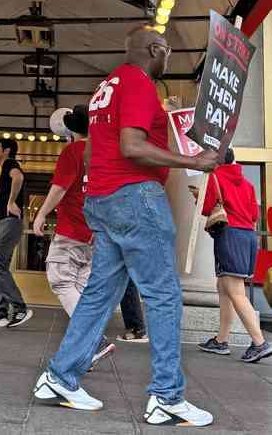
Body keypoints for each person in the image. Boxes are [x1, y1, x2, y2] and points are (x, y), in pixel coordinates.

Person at [33, 25, 218, 427]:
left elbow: (113, 145)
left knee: (100, 293)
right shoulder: (137, 83)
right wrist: (193, 162)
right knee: (163, 294)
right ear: (155, 49)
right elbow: (132, 146)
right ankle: (167, 396)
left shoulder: (108, 86)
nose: (168, 58)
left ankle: (60, 377)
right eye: (166, 51)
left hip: (104, 200)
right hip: (135, 199)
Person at [34, 105, 115, 364]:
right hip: (96, 232)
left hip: (71, 230)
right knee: (80, 288)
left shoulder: (73, 151)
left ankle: (94, 341)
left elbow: (60, 188)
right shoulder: (105, 153)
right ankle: (81, 351)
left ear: (72, 129)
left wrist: (41, 213)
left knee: (60, 280)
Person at [197, 148, 272, 362]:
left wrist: (198, 197)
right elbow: (253, 215)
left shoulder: (215, 177)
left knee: (234, 290)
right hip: (247, 236)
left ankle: (259, 343)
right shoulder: (247, 183)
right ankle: (221, 340)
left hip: (230, 235)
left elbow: (207, 207)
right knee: (224, 288)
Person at [0, 138, 33, 328]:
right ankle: (0, 313)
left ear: (7, 151)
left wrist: (11, 202)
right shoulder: (3, 169)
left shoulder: (10, 164)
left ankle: (19, 308)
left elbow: (18, 177)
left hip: (10, 222)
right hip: (5, 223)